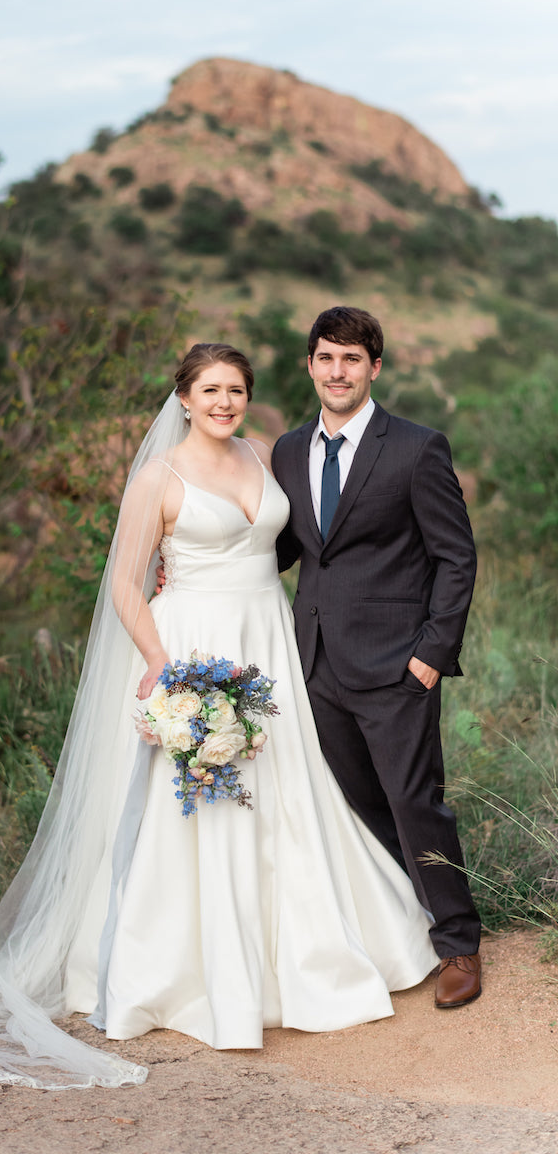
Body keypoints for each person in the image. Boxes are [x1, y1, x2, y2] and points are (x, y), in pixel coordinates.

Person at [0, 342, 438, 1089]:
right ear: (183, 397)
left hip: (268, 639)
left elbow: (291, 543)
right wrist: (161, 668)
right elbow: (124, 584)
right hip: (193, 649)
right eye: (210, 389)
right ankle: (194, 977)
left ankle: (304, 959)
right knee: (198, 812)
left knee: (288, 795)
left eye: (236, 390)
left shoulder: (263, 454)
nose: (224, 402)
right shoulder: (157, 476)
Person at [271, 306, 482, 1009]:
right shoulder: (287, 450)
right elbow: (289, 549)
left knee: (415, 803)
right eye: (327, 358)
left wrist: (431, 654)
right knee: (355, 808)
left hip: (398, 667)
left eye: (352, 360)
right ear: (310, 365)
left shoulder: (417, 449)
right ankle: (397, 929)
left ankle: (457, 941)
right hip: (316, 663)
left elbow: (456, 556)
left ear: (374, 368)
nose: (338, 371)